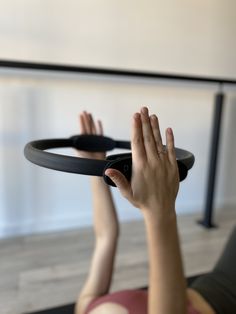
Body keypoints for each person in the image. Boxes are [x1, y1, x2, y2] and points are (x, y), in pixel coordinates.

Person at [75, 108, 236, 314]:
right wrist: (159, 210)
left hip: (212, 285)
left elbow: (106, 235)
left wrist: (97, 167)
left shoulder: (85, 309)